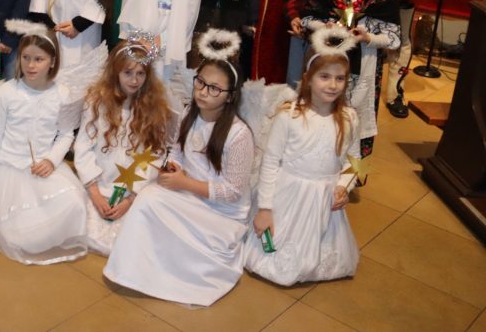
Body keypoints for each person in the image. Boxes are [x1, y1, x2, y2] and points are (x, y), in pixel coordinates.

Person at [104, 34, 254, 306]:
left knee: (151, 199)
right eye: (201, 83)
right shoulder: (189, 114)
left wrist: (184, 184)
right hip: (188, 192)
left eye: (214, 89)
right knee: (148, 197)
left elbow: (232, 192)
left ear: (231, 96)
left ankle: (177, 271)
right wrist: (173, 166)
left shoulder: (239, 134)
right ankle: (138, 269)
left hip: (219, 209)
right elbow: (176, 149)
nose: (203, 92)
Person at [0, 24, 88, 264]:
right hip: (9, 168)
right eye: (26, 58)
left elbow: (66, 134)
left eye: (39, 59)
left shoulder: (62, 93)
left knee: (75, 205)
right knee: (20, 238)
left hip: (44, 165)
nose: (31, 65)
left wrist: (51, 159)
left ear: (52, 61)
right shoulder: (6, 93)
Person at [244, 43, 360, 285]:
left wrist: (343, 186)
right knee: (277, 261)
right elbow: (270, 163)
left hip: (324, 197)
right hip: (289, 195)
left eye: (340, 78)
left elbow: (353, 160)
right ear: (308, 78)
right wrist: (265, 209)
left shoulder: (350, 118)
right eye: (324, 76)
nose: (332, 85)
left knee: (321, 258)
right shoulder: (289, 115)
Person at [74, 36, 181, 255]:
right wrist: (94, 192)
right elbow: (83, 147)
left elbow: (154, 155)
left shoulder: (154, 108)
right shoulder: (97, 103)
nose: (134, 80)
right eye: (128, 73)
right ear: (115, 72)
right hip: (98, 182)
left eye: (140, 73)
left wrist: (131, 198)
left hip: (132, 189)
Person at [303, 0, 400, 156]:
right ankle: (316, 161)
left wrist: (370, 38)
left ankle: (348, 176)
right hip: (328, 63)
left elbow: (394, 37)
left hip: (363, 67)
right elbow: (307, 17)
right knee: (323, 113)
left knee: (354, 117)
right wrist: (324, 26)